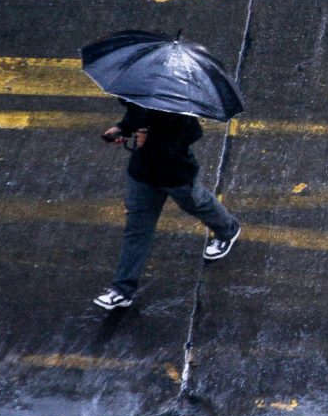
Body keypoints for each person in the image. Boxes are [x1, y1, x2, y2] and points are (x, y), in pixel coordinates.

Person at [93, 99, 241, 310]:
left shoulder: (178, 101)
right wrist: (122, 129)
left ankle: (228, 230)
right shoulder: (143, 91)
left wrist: (152, 141)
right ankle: (122, 289)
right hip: (142, 173)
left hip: (174, 174)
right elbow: (136, 114)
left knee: (197, 204)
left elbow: (191, 134)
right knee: (137, 229)